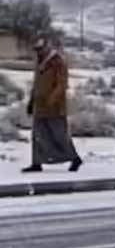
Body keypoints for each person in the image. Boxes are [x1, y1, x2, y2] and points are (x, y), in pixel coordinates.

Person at [23, 35, 82, 173]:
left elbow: (62, 84)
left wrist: (52, 100)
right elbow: (36, 84)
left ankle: (74, 158)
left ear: (47, 47)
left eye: (40, 49)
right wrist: (31, 101)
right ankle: (37, 163)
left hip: (55, 107)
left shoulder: (58, 62)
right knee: (38, 135)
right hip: (39, 105)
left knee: (59, 135)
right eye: (36, 49)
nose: (38, 52)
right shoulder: (39, 63)